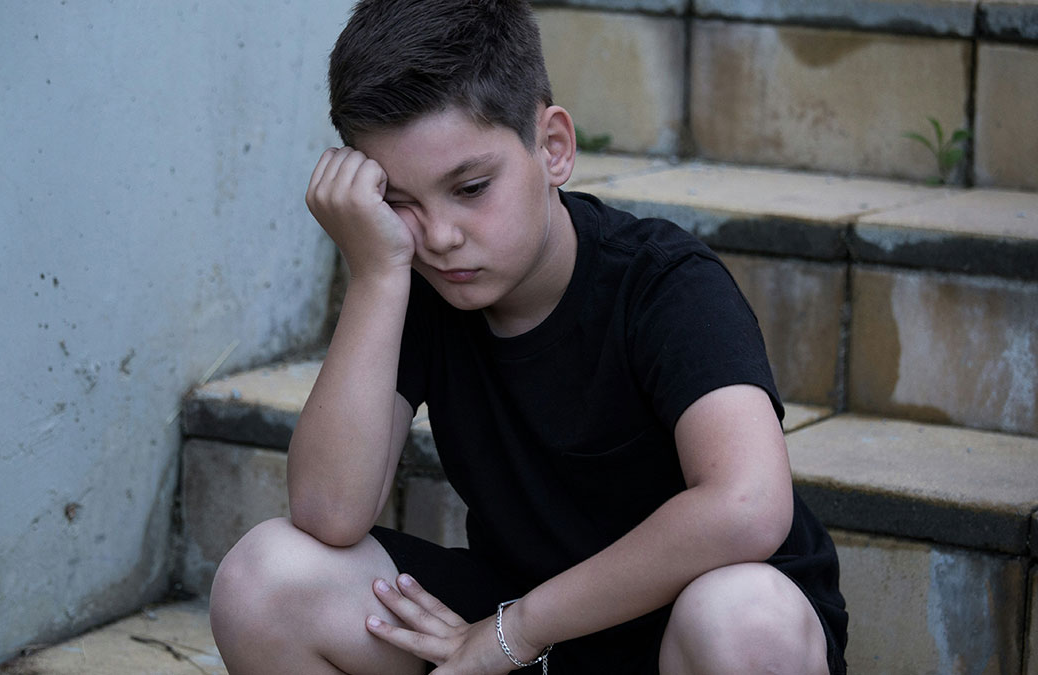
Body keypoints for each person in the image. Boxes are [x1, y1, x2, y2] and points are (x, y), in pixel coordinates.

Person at [209, 0, 848, 672]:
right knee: (264, 580)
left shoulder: (663, 282)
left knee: (743, 615)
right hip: (522, 626)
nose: (440, 236)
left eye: (471, 188)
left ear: (553, 148)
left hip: (676, 634)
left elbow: (747, 505)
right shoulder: (415, 284)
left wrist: (516, 629)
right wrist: (375, 275)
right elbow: (329, 513)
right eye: (400, 203)